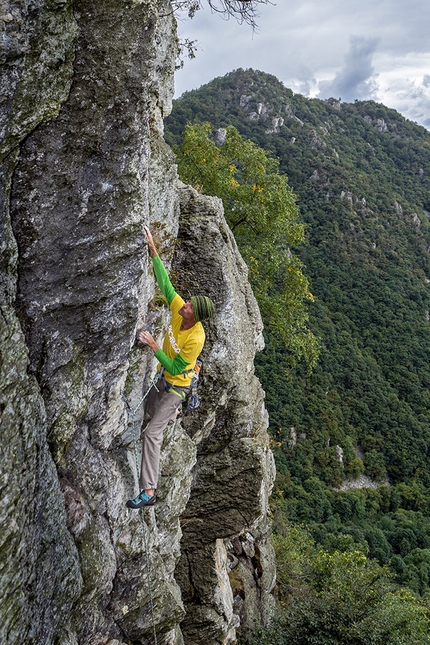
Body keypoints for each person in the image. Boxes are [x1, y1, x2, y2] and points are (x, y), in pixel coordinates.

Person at [126, 226, 215, 509]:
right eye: (187, 302)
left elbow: (177, 365)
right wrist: (153, 249)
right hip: (164, 379)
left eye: (188, 306)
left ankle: (149, 492)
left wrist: (154, 346)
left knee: (152, 432)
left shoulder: (196, 338)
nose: (183, 304)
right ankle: (170, 413)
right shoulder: (179, 311)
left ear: (195, 316)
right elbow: (166, 285)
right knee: (146, 415)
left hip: (177, 385)